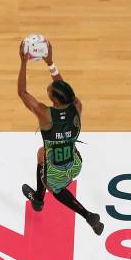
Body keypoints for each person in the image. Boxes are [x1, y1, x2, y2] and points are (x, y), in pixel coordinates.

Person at [17, 40, 104, 235]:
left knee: (53, 187)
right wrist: (51, 64)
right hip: (75, 164)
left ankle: (87, 215)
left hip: (57, 170)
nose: (49, 88)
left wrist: (23, 63)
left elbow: (22, 93)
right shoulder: (77, 108)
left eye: (50, 90)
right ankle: (39, 198)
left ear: (54, 100)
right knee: (42, 154)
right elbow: (68, 92)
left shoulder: (45, 115)